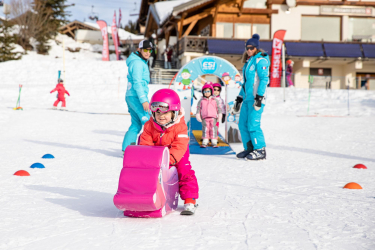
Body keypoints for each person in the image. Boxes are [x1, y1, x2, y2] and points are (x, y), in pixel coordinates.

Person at [139, 89, 199, 213]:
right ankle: (144, 195)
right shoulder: (149, 125)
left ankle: (189, 199)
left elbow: (180, 146)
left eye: (165, 113)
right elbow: (145, 143)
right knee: (145, 171)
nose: (161, 116)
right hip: (156, 156)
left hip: (177, 155)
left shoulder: (180, 127)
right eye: (157, 113)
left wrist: (168, 160)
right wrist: (150, 159)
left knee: (184, 170)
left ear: (174, 113)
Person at [235, 34, 270, 161]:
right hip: (247, 99)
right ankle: (249, 148)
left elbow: (264, 79)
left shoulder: (261, 60)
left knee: (253, 124)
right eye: (247, 48)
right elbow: (245, 84)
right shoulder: (248, 62)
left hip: (256, 99)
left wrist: (259, 97)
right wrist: (239, 98)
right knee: (242, 125)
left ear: (256, 48)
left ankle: (260, 149)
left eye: (252, 48)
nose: (249, 50)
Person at [122, 40, 153, 153]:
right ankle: (148, 149)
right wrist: (144, 100)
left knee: (136, 124)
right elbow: (138, 82)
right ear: (139, 50)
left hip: (132, 96)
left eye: (150, 50)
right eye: (145, 50)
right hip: (137, 97)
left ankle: (127, 150)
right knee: (149, 123)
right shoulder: (138, 63)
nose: (148, 53)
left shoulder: (138, 62)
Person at [196, 83, 222, 148]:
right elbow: (198, 108)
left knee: (213, 129)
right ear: (203, 92)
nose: (207, 93)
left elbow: (218, 108)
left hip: (213, 118)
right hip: (205, 118)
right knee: (205, 129)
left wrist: (220, 115)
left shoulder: (215, 100)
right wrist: (198, 115)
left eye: (208, 91)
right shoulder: (201, 101)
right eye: (205, 91)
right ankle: (205, 140)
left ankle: (214, 141)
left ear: (211, 92)